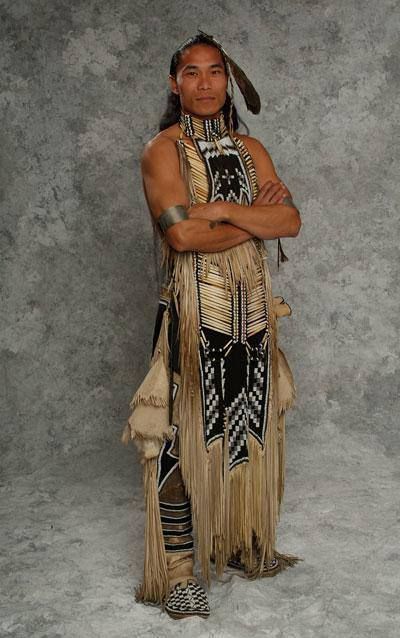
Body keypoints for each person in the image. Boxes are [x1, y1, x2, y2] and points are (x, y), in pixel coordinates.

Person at [121, 30, 302, 620]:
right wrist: (257, 219)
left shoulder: (251, 151)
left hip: (253, 316)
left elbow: (292, 220)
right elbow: (182, 235)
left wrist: (223, 210)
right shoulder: (162, 150)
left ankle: (243, 544)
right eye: (192, 72)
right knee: (176, 433)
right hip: (192, 316)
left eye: (215, 72)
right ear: (175, 84)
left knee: (248, 422)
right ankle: (177, 573)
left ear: (230, 80)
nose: (204, 83)